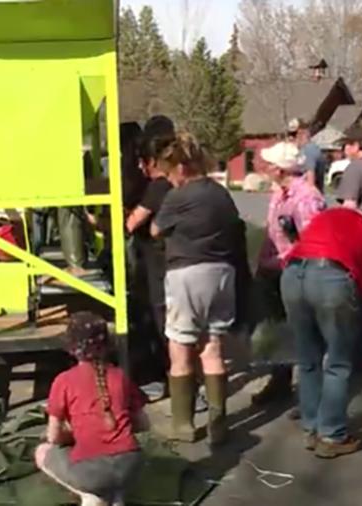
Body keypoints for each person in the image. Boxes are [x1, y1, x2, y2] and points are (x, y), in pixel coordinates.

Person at [281, 207, 362, 459]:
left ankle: (311, 427)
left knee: (308, 358)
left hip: (292, 273)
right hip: (331, 278)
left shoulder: (334, 215)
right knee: (338, 361)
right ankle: (331, 435)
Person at [151, 131, 241, 446]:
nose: (168, 178)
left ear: (181, 168)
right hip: (222, 273)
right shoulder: (220, 193)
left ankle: (184, 425)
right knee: (213, 350)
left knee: (181, 350)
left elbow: (155, 230)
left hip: (186, 273)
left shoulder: (178, 197)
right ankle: (219, 426)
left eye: (168, 171)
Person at [35, 312, 147, 506]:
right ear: (107, 344)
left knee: (43, 451)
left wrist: (75, 434)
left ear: (71, 347)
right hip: (131, 465)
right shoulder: (120, 376)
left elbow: (53, 437)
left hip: (91, 472)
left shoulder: (63, 381)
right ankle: (117, 494)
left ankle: (91, 496)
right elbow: (143, 423)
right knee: (114, 472)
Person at [251, 141, 326, 406]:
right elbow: (273, 232)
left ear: (280, 168)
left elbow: (312, 242)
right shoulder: (279, 193)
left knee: (304, 335)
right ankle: (280, 383)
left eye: (270, 163)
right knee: (279, 332)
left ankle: (312, 397)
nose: (265, 166)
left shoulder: (306, 198)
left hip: (294, 272)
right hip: (272, 271)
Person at [125, 134, 175, 399]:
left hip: (158, 266)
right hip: (165, 264)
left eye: (143, 162)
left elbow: (132, 223)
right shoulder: (173, 185)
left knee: (164, 326)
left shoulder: (158, 188)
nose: (141, 168)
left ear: (152, 161)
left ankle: (175, 382)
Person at [287, 118, 327, 193]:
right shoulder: (302, 150)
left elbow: (310, 178)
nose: (291, 138)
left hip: (307, 199)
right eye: (289, 134)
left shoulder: (309, 150)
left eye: (294, 134)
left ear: (305, 133)